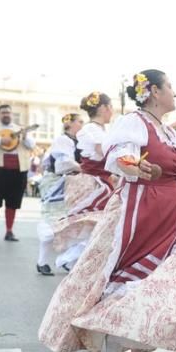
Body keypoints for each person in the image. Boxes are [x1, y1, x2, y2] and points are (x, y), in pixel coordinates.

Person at [38, 70, 176, 352]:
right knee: (135, 286)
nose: (175, 92)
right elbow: (118, 158)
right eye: (170, 86)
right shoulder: (133, 123)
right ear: (154, 92)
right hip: (142, 210)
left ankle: (144, 349)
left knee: (172, 287)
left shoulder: (167, 131)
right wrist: (134, 165)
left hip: (173, 212)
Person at [50, 92, 117, 273]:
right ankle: (70, 257)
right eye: (110, 107)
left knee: (101, 225)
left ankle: (75, 261)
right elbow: (104, 153)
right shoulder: (91, 130)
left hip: (104, 182)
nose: (112, 111)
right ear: (103, 108)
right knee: (97, 223)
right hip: (94, 184)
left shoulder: (101, 130)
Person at [0, 104, 35, 241]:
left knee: (13, 201)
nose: (6, 115)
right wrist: (0, 140)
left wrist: (25, 136)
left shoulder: (19, 129)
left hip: (17, 170)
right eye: (3, 112)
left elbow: (31, 145)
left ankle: (9, 231)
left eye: (8, 112)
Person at [36, 114, 83, 275]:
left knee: (72, 222)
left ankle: (67, 260)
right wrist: (86, 169)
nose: (82, 124)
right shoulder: (63, 140)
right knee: (52, 222)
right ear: (70, 124)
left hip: (70, 184)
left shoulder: (76, 141)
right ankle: (42, 261)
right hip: (56, 184)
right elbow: (63, 163)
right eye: (79, 121)